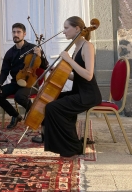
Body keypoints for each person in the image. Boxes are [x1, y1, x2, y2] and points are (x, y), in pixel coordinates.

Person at [32, 16, 102, 157]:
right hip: (79, 91)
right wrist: (59, 72)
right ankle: (70, 142)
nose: (63, 32)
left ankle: (73, 146)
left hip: (88, 95)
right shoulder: (76, 48)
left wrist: (68, 59)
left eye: (66, 28)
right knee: (51, 101)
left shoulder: (87, 46)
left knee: (53, 108)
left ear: (77, 29)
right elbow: (78, 76)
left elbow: (88, 75)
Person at [0, 23, 48, 129]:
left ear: (24, 34)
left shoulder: (33, 48)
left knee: (19, 97)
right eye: (14, 32)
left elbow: (45, 66)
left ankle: (38, 116)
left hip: (31, 83)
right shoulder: (9, 53)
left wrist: (40, 56)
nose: (16, 34)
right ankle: (15, 115)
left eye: (18, 32)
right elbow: (4, 71)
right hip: (16, 82)